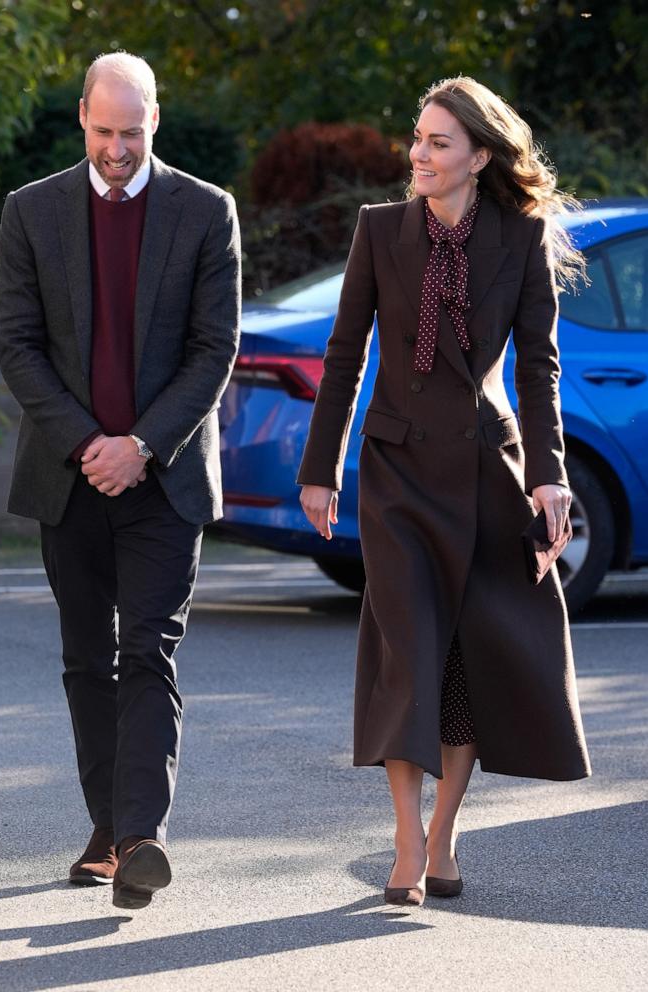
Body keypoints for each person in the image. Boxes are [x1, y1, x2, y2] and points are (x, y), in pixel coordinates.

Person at [298, 76, 591, 907]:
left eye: (438, 143)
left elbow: (539, 369)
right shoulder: (379, 231)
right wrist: (321, 470)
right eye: (417, 139)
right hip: (394, 475)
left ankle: (444, 833)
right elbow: (345, 354)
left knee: (463, 663)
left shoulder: (520, 237)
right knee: (406, 655)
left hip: (483, 477)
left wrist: (550, 476)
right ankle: (402, 837)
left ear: (479, 157)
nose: (419, 155)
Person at [0, 52, 241, 910]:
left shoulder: (207, 212)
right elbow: (17, 345)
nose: (117, 148)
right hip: (69, 481)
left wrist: (140, 443)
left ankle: (139, 838)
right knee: (83, 661)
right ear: (82, 120)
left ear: (155, 122)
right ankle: (109, 827)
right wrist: (89, 443)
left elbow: (216, 349)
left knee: (147, 652)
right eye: (104, 131)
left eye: (131, 132)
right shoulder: (32, 212)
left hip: (163, 483)